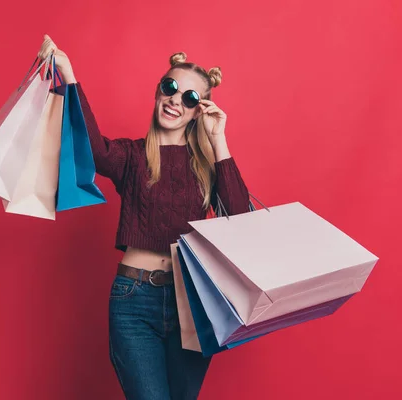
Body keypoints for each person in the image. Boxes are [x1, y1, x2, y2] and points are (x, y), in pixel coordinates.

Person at [38, 34, 250, 400]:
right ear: (159, 91)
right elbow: (92, 148)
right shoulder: (133, 157)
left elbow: (240, 216)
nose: (176, 100)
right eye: (170, 87)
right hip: (134, 300)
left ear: (199, 110)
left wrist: (219, 142)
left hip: (192, 303)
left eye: (190, 97)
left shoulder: (205, 166)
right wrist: (70, 76)